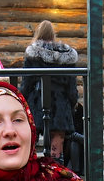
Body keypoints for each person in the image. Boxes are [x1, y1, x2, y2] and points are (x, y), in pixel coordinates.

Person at [21, 20, 80, 160]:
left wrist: (21, 100)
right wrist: (73, 102)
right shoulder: (67, 55)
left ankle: (30, 170)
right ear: (53, 34)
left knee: (30, 142)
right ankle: (55, 173)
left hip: (37, 102)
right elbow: (72, 85)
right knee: (56, 147)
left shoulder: (32, 54)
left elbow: (27, 82)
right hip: (61, 104)